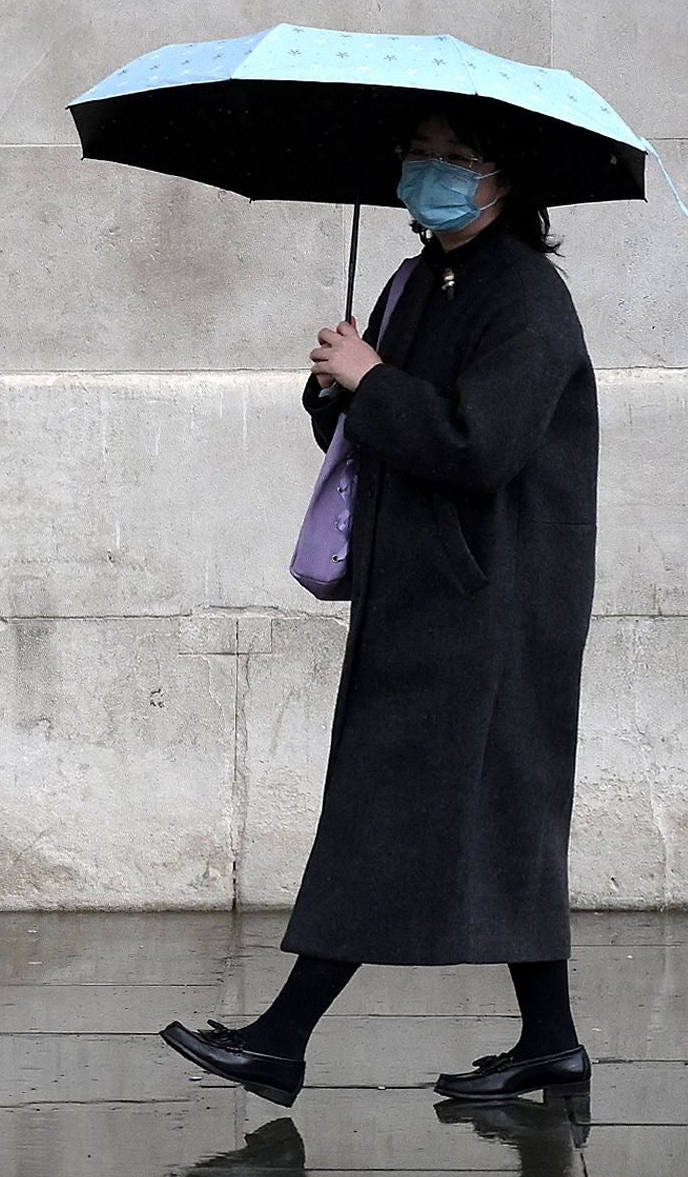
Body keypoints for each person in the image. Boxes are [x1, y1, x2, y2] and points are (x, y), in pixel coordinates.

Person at [162, 103, 599, 1110]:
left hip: (488, 605)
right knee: (500, 812)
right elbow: (377, 423)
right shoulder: (421, 279)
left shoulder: (527, 300)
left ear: (504, 182)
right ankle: (552, 1042)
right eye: (416, 157)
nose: (428, 175)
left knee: (385, 810)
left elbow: (478, 448)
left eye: (453, 161)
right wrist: (340, 381)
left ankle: (280, 1039)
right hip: (429, 592)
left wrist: (373, 382)